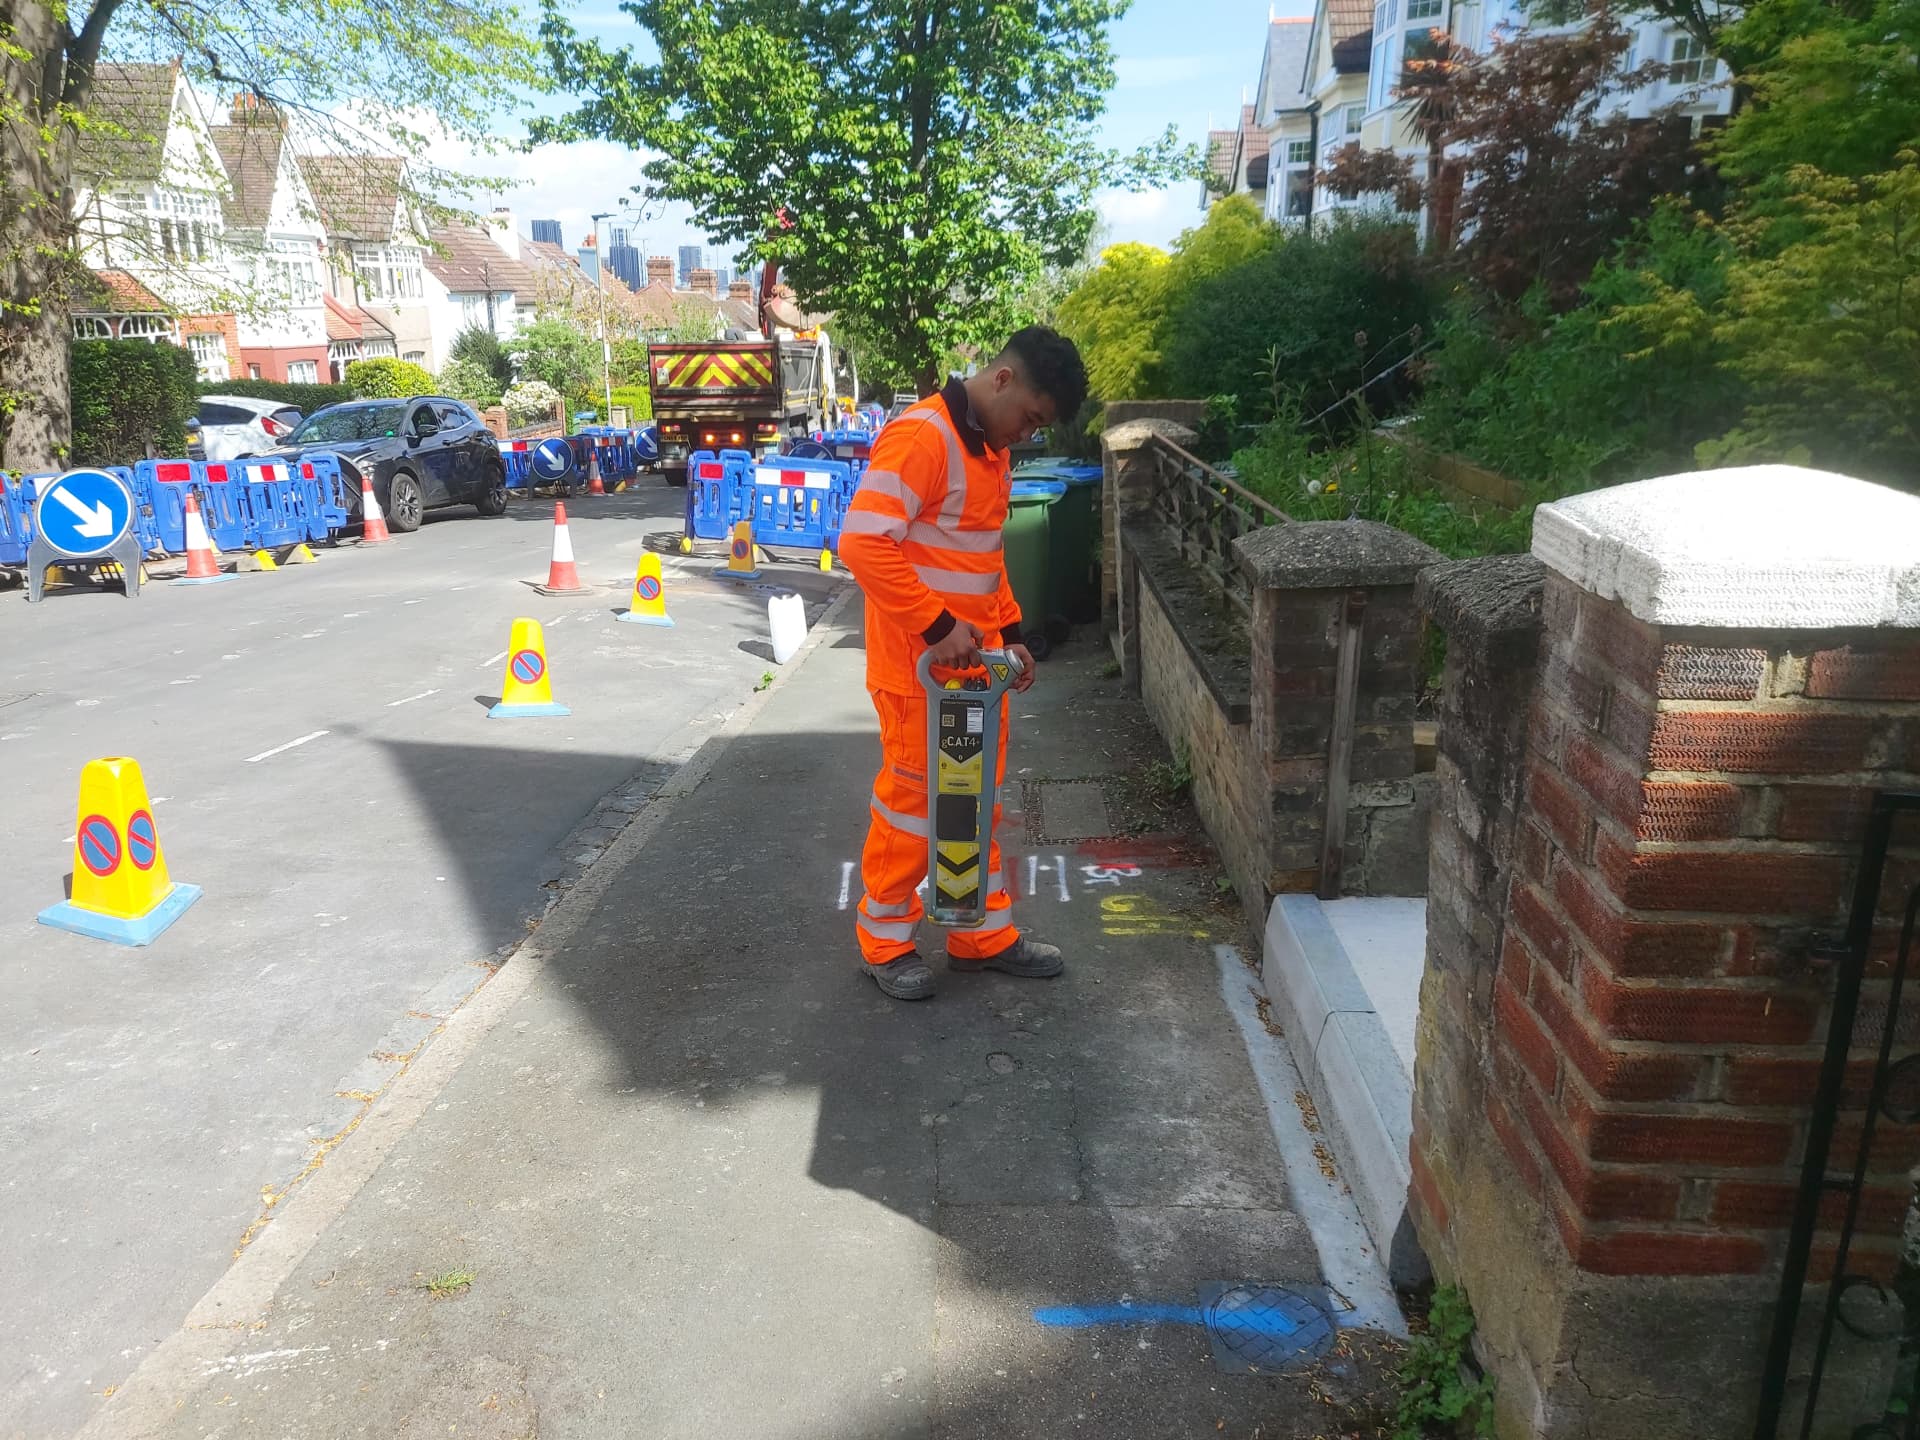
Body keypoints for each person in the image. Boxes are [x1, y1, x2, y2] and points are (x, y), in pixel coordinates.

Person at [838, 327, 1089, 1000]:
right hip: (917, 672)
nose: (1025, 436)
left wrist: (1010, 634)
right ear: (1003, 381)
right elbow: (864, 544)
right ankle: (885, 943)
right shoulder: (923, 437)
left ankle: (979, 936)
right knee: (915, 812)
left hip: (971, 674)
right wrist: (938, 626)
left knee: (975, 804)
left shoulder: (989, 451)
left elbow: (981, 559)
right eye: (1030, 419)